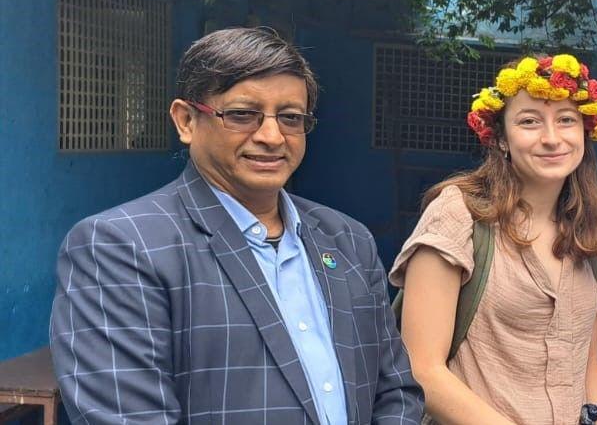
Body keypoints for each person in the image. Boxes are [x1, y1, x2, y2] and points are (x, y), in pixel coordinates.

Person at [50, 27, 423, 424]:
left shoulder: (347, 239)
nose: (271, 136)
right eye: (242, 114)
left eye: (290, 118)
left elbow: (395, 390)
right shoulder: (121, 247)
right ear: (186, 120)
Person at [390, 54, 597, 424]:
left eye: (566, 120)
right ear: (500, 138)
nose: (551, 138)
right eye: (530, 121)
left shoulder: (591, 223)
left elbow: (586, 361)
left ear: (584, 131)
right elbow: (423, 369)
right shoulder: (459, 213)